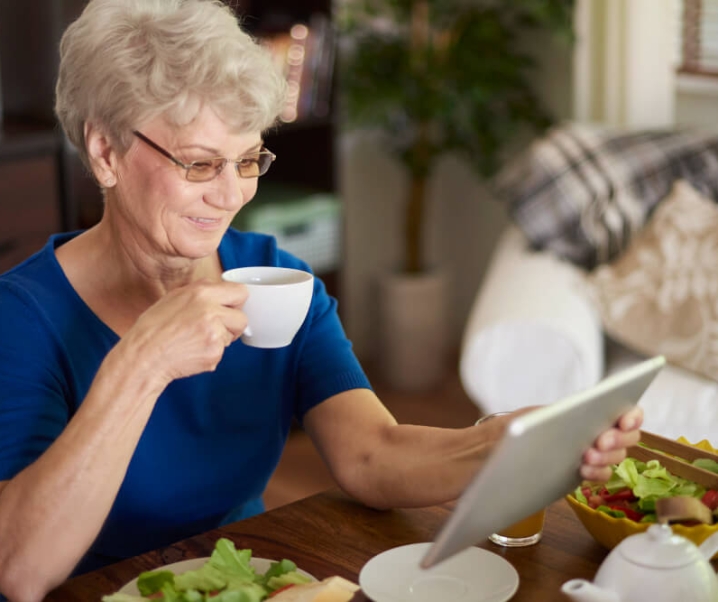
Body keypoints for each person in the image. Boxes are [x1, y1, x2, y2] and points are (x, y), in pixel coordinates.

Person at [0, 1, 643, 601]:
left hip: (244, 576)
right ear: (105, 152)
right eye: (200, 164)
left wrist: (510, 444)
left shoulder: (277, 279)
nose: (231, 195)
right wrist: (140, 364)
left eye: (248, 159)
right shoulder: (24, 315)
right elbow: (20, 569)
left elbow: (371, 455)